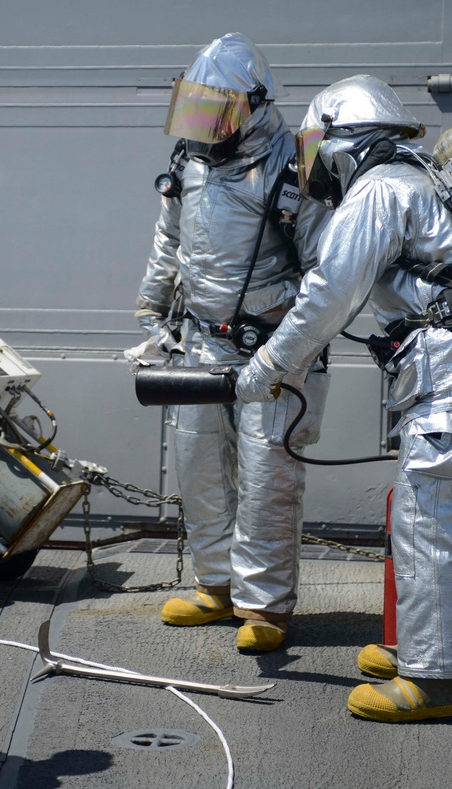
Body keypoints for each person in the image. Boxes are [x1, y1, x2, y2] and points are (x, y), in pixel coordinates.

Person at [235, 74, 452, 720]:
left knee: (434, 519)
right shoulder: (422, 178)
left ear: (343, 141)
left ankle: (435, 682)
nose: (312, 165)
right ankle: (419, 647)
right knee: (432, 515)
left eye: (317, 147)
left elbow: (326, 294)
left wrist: (266, 366)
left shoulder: (377, 191)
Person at [129, 33, 330, 653]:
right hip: (201, 343)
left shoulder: (298, 162)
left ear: (255, 105)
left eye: (218, 110)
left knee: (268, 477)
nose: (206, 124)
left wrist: (290, 342)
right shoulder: (190, 162)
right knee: (199, 469)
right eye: (198, 108)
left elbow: (325, 267)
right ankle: (216, 585)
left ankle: (265, 605)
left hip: (273, 350)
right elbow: (171, 242)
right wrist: (151, 304)